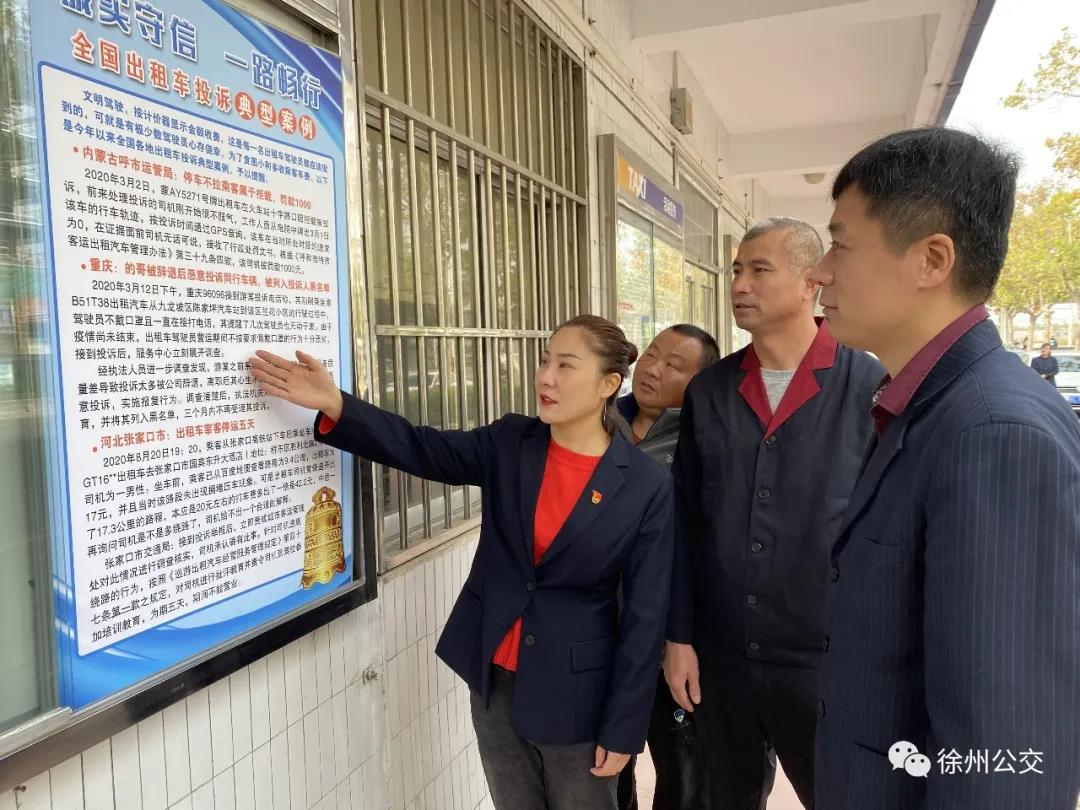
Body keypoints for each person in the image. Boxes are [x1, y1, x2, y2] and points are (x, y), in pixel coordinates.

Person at [250, 315, 674, 810]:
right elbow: (423, 447)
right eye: (544, 362)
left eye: (565, 366)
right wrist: (336, 404)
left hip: (578, 693)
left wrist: (624, 727)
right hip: (495, 681)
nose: (545, 377)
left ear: (607, 383)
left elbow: (646, 616)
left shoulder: (645, 484)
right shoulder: (511, 442)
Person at [811, 127, 1080, 808]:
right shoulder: (922, 406)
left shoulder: (993, 433)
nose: (819, 272)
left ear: (932, 260)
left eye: (840, 244)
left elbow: (1005, 755)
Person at [664, 217, 884, 809]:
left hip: (826, 657)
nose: (739, 284)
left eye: (759, 270)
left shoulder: (868, 386)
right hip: (722, 653)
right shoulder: (711, 390)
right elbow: (684, 522)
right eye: (737, 269)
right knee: (726, 795)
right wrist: (679, 637)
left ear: (811, 281)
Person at [612, 323, 720, 810]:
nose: (653, 369)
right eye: (652, 354)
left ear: (699, 383)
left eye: (674, 365)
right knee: (606, 771)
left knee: (682, 772)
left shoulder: (706, 443)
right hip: (602, 635)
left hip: (673, 642)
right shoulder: (601, 423)